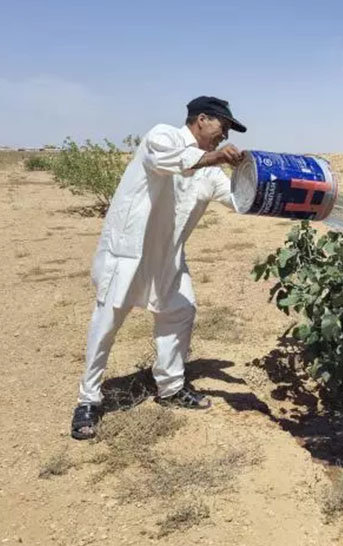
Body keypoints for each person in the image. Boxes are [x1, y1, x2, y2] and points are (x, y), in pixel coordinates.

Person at [70, 96, 248, 440]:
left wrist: (271, 185)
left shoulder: (209, 173)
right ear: (201, 119)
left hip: (168, 258)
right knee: (106, 322)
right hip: (129, 253)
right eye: (222, 128)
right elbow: (173, 161)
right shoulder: (163, 136)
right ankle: (88, 400)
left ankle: (170, 387)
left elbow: (240, 200)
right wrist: (213, 156)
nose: (223, 136)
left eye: (227, 132)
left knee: (180, 312)